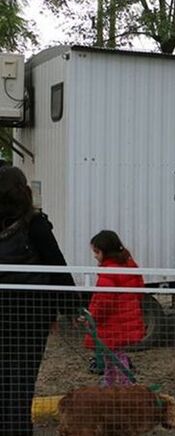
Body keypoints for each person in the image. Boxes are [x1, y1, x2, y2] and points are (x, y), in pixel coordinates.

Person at [0, 166, 75, 435]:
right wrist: (72, 307)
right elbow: (57, 267)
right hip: (32, 317)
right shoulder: (35, 223)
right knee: (22, 379)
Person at [84, 230, 145, 387]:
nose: (95, 256)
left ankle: (126, 387)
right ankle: (109, 383)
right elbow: (139, 288)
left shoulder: (108, 272)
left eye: (96, 252)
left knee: (115, 356)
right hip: (124, 319)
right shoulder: (129, 265)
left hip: (112, 323)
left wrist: (91, 317)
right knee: (111, 355)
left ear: (106, 251)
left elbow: (103, 301)